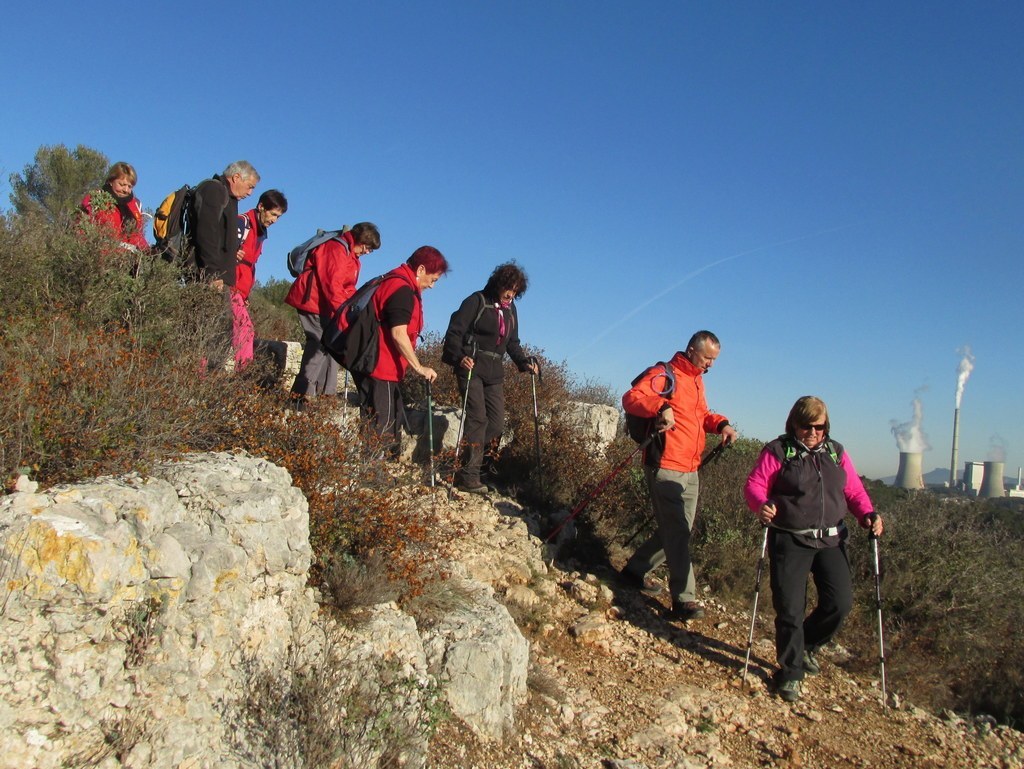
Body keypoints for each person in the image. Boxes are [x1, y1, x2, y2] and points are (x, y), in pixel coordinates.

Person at [743, 395, 884, 703]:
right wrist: (761, 505)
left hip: (831, 540)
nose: (812, 432)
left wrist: (867, 514)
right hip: (790, 539)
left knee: (840, 603)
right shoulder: (779, 451)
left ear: (826, 426)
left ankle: (806, 645)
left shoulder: (836, 453)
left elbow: (853, 490)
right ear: (794, 423)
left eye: (819, 427)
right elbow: (754, 485)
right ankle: (790, 673)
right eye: (806, 426)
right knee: (790, 608)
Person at [620, 330, 738, 621]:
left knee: (677, 529)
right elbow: (631, 397)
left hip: (690, 468)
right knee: (678, 532)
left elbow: (700, 416)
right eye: (707, 358)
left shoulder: (696, 381)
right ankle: (684, 599)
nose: (710, 365)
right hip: (665, 465)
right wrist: (660, 406)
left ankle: (635, 570)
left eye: (714, 360)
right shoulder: (665, 374)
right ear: (692, 350)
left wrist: (721, 425)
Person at [441, 261, 538, 493]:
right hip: (471, 366)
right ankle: (470, 476)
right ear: (498, 284)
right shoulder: (476, 301)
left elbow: (512, 343)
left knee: (495, 423)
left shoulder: (511, 309)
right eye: (508, 288)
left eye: (515, 291)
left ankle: (465, 465)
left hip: (495, 371)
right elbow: (454, 332)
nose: (511, 294)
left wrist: (524, 363)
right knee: (477, 420)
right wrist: (458, 357)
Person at [353, 246, 449, 455]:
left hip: (381, 364)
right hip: (381, 366)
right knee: (382, 422)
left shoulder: (395, 281)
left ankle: (375, 472)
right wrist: (419, 367)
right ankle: (371, 475)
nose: (432, 286)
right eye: (433, 280)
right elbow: (398, 334)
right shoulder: (402, 289)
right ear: (421, 269)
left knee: (386, 419)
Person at [286, 222, 381, 402]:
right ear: (360, 240)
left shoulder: (350, 255)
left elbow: (348, 288)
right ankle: (301, 395)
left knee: (331, 345)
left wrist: (356, 308)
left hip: (324, 306)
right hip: (313, 302)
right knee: (321, 344)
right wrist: (344, 313)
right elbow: (332, 285)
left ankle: (323, 395)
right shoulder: (336, 249)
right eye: (367, 247)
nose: (367, 252)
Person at [232, 190, 288, 369]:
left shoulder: (260, 232)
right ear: (261, 206)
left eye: (278, 217)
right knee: (245, 330)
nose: (274, 220)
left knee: (229, 331)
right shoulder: (242, 223)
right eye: (273, 214)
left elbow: (250, 266)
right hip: (229, 286)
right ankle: (243, 373)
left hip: (240, 291)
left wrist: (245, 295)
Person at [192, 160, 260, 290]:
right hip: (208, 277)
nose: (250, 193)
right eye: (250, 186)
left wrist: (233, 250)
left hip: (219, 277)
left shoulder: (229, 198)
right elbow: (206, 233)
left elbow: (219, 235)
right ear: (236, 178)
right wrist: (212, 273)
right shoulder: (214, 190)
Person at [79, 161, 149, 252]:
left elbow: (139, 236)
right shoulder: (95, 198)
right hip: (101, 258)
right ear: (111, 181)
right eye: (122, 184)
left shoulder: (135, 206)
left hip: (129, 260)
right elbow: (81, 228)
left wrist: (148, 252)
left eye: (130, 186)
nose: (126, 190)